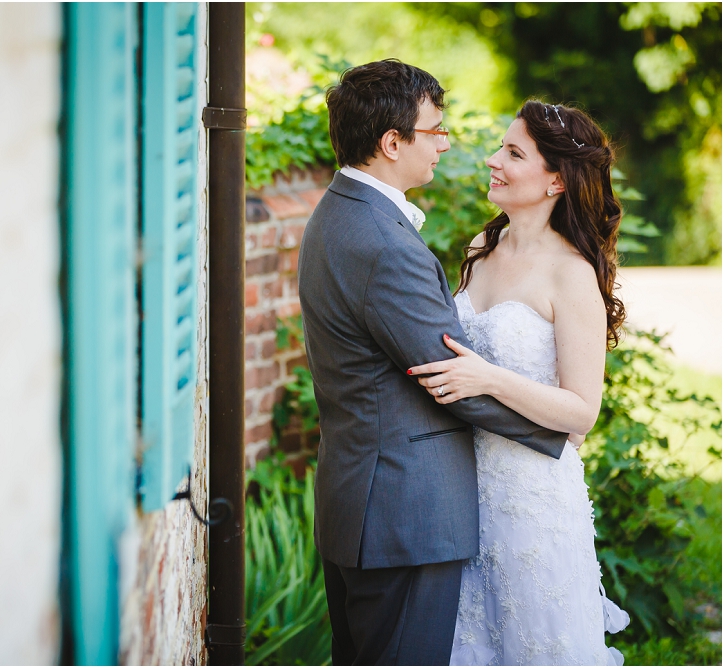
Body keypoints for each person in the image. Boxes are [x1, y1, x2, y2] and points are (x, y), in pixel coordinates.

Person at [298, 59, 568, 666]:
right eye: (434, 131)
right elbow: (450, 377)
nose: (446, 143)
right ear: (392, 143)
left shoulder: (337, 214)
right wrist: (559, 428)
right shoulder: (386, 244)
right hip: (403, 517)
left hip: (367, 502)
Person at [407, 100, 630, 665]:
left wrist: (489, 378)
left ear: (556, 178)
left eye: (512, 152)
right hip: (459, 485)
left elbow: (581, 413)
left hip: (531, 494)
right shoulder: (484, 249)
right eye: (500, 148)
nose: (491, 160)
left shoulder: (571, 274)